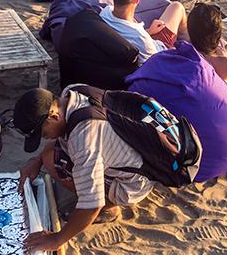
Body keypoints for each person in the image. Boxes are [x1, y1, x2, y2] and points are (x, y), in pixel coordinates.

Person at [13, 84, 157, 252]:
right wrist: (36, 161)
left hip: (131, 184)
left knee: (53, 160)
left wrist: (56, 239)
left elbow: (91, 204)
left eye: (43, 134)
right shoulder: (72, 92)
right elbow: (59, 140)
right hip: (135, 158)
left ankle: (110, 207)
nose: (46, 137)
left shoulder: (83, 140)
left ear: (52, 116)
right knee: (48, 153)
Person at [99, 0, 188, 62]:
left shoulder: (105, 13)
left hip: (142, 40)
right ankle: (189, 42)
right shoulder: (140, 36)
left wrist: (148, 31)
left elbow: (126, 35)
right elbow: (158, 61)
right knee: (177, 7)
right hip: (161, 51)